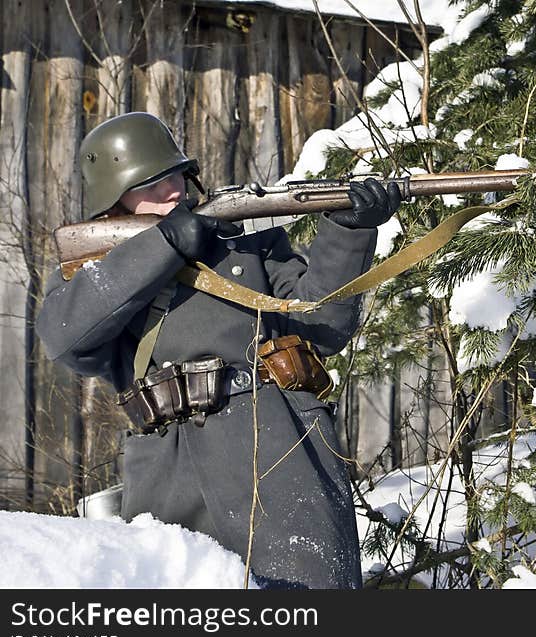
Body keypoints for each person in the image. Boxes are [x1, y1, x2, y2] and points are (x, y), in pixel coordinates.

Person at [35, 111, 401, 588]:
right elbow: (65, 336)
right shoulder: (102, 269)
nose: (170, 191)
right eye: (149, 184)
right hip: (171, 474)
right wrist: (161, 247)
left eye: (174, 175)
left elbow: (323, 325)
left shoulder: (245, 243)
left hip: (280, 452)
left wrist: (349, 233)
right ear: (113, 202)